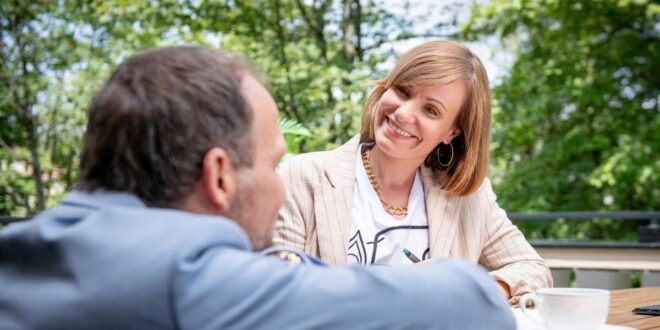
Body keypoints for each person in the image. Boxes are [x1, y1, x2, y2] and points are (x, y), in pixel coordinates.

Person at [0, 46, 515, 329]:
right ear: (220, 176)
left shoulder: (28, 250)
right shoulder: (185, 282)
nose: (281, 179)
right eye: (273, 162)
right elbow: (465, 302)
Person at [274, 40, 553, 303]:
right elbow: (279, 287)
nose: (404, 114)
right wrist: (398, 284)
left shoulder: (468, 198)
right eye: (403, 91)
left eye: (431, 110)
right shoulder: (300, 177)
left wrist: (467, 287)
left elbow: (533, 270)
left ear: (452, 131)